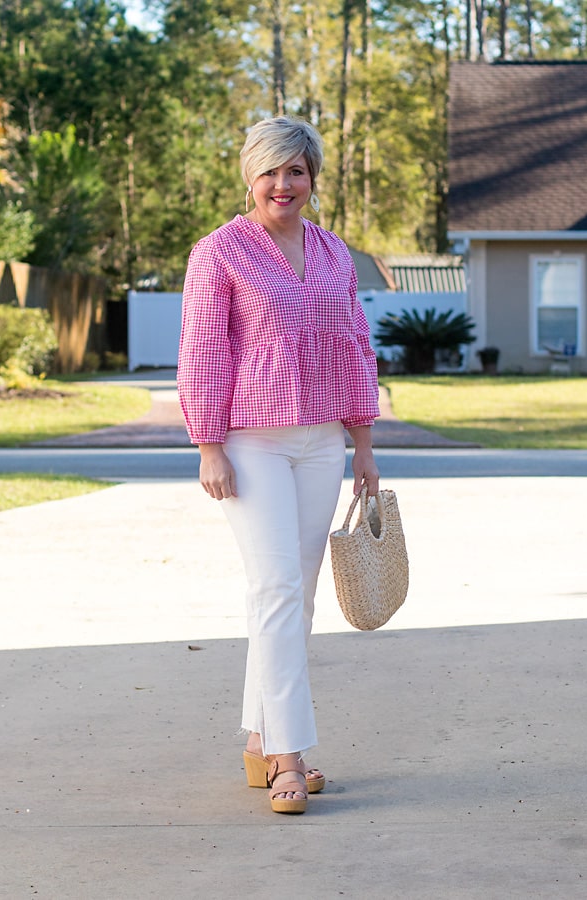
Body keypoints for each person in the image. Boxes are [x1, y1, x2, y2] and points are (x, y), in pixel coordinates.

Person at [177, 116, 380, 815]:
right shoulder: (219, 251)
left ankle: (261, 736)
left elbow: (354, 342)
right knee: (277, 590)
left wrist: (363, 443)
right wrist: (208, 443)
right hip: (250, 443)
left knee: (296, 594)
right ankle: (290, 758)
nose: (283, 185)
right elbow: (203, 349)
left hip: (321, 440)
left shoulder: (332, 252)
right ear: (249, 176)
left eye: (296, 171)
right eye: (271, 171)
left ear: (313, 178)